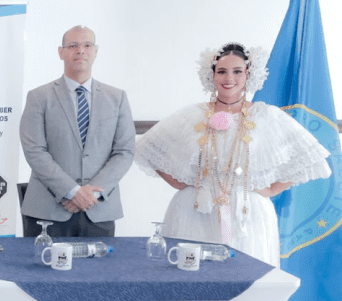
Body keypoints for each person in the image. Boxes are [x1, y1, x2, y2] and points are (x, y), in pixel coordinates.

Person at [135, 43, 331, 266]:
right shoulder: (192, 115)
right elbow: (147, 148)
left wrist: (271, 189)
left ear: (249, 74)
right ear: (212, 75)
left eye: (237, 71)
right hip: (195, 210)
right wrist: (180, 182)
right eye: (222, 71)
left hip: (246, 214)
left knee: (245, 274)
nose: (229, 78)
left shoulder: (266, 116)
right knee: (191, 275)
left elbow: (309, 157)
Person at [20, 25, 135, 237]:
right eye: (72, 45)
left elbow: (124, 152)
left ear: (96, 51)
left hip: (98, 209)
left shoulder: (117, 98)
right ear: (61, 52)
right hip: (48, 212)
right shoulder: (38, 97)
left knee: (101, 261)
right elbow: (34, 151)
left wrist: (90, 194)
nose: (80, 50)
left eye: (87, 45)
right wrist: (71, 191)